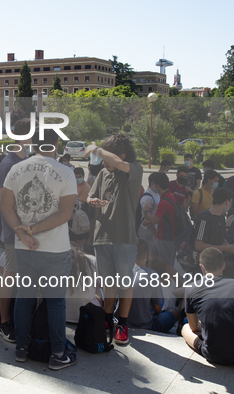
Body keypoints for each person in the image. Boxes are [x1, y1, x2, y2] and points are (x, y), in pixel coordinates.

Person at [2, 124, 77, 369]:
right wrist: (32, 231)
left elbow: (5, 207)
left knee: (24, 298)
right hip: (55, 249)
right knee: (55, 301)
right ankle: (57, 354)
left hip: (24, 248)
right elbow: (65, 214)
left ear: (33, 143)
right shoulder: (65, 172)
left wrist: (23, 235)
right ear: (56, 145)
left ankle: (21, 348)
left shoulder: (15, 168)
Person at [85, 132, 143, 346]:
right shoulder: (102, 174)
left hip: (125, 237)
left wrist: (97, 149)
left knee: (125, 282)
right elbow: (90, 196)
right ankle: (108, 320)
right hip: (102, 237)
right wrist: (93, 202)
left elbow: (119, 164)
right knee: (108, 283)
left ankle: (123, 325)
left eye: (106, 157)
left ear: (121, 155)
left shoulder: (134, 169)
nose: (102, 162)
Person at [0, 118, 32, 343]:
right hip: (15, 233)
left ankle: (17, 318)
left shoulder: (26, 161)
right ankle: (4, 321)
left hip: (28, 231)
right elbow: (3, 203)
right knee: (9, 275)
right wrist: (19, 232)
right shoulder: (8, 165)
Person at [181, 247, 234, 364]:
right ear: (223, 265)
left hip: (215, 354)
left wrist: (204, 324)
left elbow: (193, 327)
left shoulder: (191, 288)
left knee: (185, 328)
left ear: (202, 267)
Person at [128, 239, 178, 333]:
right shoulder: (152, 275)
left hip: (124, 322)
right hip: (147, 325)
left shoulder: (121, 273)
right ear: (147, 255)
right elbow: (158, 308)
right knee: (174, 312)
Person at [194, 188, 234, 274]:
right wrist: (224, 248)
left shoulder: (221, 217)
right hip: (206, 263)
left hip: (218, 261)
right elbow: (199, 245)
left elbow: (220, 238)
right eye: (230, 201)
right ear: (226, 202)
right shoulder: (205, 219)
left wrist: (228, 246)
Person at [144, 172, 179, 266]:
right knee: (152, 259)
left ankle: (175, 280)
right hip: (162, 236)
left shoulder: (164, 202)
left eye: (154, 184)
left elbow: (155, 220)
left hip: (166, 238)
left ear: (157, 185)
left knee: (166, 266)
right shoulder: (170, 195)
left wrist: (146, 211)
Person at [66, 243, 100, 324]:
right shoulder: (93, 260)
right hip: (87, 315)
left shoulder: (60, 261)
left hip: (64, 315)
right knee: (97, 291)